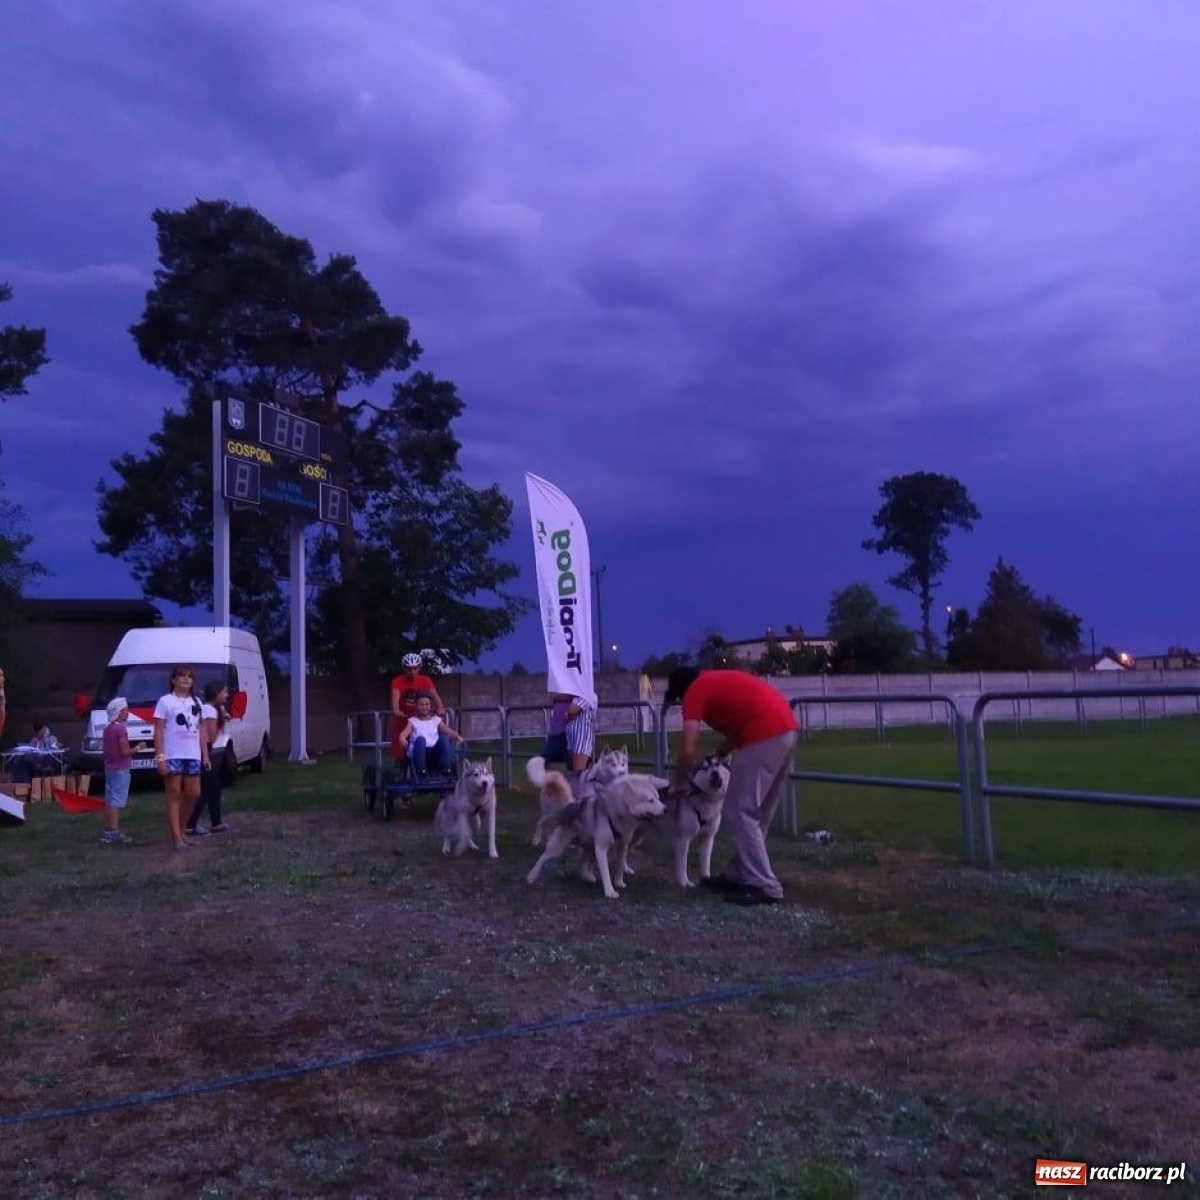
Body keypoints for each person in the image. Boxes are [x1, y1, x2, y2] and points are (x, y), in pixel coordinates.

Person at [665, 666, 799, 908]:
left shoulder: (694, 691)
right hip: (786, 729)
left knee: (739, 811)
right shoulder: (715, 680)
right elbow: (747, 716)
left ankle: (766, 887)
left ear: (681, 690)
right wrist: (724, 749)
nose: (682, 703)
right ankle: (739, 874)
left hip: (763, 735)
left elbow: (687, 750)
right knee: (758, 814)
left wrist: (679, 782)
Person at [152, 665, 209, 852]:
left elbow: (202, 730)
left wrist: (205, 755)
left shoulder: (197, 702)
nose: (186, 679)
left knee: (194, 793)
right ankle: (176, 837)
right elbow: (158, 730)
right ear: (173, 680)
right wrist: (160, 757)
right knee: (174, 792)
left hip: (193, 754)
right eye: (182, 676)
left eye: (190, 677)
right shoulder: (165, 701)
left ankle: (183, 829)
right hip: (172, 754)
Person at [186, 680, 233, 837]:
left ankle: (216, 823)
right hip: (204, 750)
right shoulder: (211, 711)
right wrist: (222, 721)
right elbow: (211, 737)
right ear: (216, 693)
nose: (226, 695)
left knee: (213, 786)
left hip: (203, 750)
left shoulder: (210, 709)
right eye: (224, 692)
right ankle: (190, 825)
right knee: (208, 787)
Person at [398, 692, 463, 779]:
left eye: (427, 704)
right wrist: (402, 739)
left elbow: (448, 731)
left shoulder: (436, 720)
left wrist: (457, 736)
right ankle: (422, 772)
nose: (424, 707)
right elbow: (404, 734)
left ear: (430, 705)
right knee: (421, 739)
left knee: (444, 739)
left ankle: (447, 770)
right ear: (416, 706)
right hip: (419, 751)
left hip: (434, 751)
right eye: (421, 705)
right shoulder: (413, 721)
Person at [101, 697, 133, 846]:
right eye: (125, 710)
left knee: (110, 798)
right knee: (116, 800)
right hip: (121, 768)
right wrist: (138, 748)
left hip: (110, 768)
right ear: (119, 712)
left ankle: (108, 830)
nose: (128, 713)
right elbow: (125, 751)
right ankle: (114, 831)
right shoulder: (120, 729)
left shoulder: (107, 729)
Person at [540, 692, 596, 771]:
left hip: (579, 738)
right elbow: (554, 696)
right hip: (558, 734)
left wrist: (567, 696)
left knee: (577, 771)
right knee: (540, 762)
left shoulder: (586, 695)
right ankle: (557, 777)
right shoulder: (565, 691)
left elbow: (571, 712)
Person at [391, 652, 446, 720]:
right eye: (409, 669)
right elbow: (395, 697)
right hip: (403, 718)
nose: (412, 672)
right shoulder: (397, 681)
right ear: (404, 668)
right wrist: (396, 710)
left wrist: (440, 707)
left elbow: (434, 695)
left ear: (420, 667)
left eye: (415, 668)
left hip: (421, 719)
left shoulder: (426, 680)